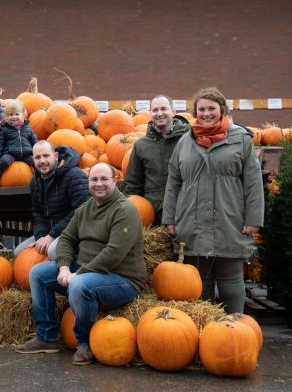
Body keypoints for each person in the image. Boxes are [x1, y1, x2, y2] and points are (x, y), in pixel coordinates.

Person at [16, 163, 147, 365]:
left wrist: (79, 274)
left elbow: (113, 253)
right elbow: (67, 238)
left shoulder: (125, 210)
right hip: (86, 271)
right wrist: (65, 267)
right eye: (94, 180)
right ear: (88, 183)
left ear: (115, 181)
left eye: (104, 179)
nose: (99, 184)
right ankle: (47, 336)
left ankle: (85, 343)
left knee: (79, 284)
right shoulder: (86, 208)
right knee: (38, 273)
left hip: (121, 278)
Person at [162, 87, 264, 314]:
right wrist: (169, 218)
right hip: (191, 217)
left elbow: (253, 183)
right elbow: (173, 181)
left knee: (230, 279)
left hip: (230, 216)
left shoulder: (241, 139)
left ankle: (235, 328)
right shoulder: (185, 142)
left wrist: (253, 219)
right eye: (201, 109)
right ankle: (207, 332)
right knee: (200, 281)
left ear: (222, 110)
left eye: (211, 108)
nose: (206, 113)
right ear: (195, 112)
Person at [14, 141, 89, 260]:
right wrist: (41, 237)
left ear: (56, 156)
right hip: (50, 231)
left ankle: (71, 274)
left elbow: (80, 211)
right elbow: (37, 213)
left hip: (74, 231)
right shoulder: (35, 181)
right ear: (33, 160)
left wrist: (52, 235)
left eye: (46, 156)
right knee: (19, 253)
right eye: (37, 157)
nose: (42, 161)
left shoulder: (74, 175)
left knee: (53, 252)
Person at [124, 94, 191, 225]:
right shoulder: (141, 145)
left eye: (163, 109)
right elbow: (133, 184)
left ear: (173, 111)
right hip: (154, 214)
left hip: (185, 211)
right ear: (150, 113)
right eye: (155, 110)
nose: (159, 113)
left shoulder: (189, 140)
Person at [0, 100, 38, 188]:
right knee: (4, 161)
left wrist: (38, 153)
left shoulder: (27, 128)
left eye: (17, 114)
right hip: (11, 153)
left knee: (35, 163)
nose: (14, 117)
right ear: (6, 116)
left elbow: (35, 142)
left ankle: (41, 178)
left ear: (23, 115)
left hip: (26, 153)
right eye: (11, 114)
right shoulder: (4, 129)